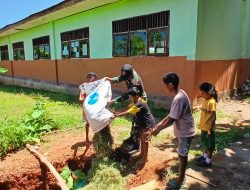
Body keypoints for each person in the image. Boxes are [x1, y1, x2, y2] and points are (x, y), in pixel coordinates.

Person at [152, 72, 195, 189]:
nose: (164, 87)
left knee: (182, 155)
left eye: (164, 85)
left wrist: (158, 130)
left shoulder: (178, 98)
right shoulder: (180, 93)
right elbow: (171, 114)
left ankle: (180, 182)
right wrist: (159, 124)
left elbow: (172, 119)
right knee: (181, 154)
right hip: (184, 130)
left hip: (186, 131)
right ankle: (182, 177)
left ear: (170, 85)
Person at [106, 64, 147, 153]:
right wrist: (112, 80)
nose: (123, 76)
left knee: (138, 123)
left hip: (139, 101)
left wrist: (112, 101)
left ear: (129, 74)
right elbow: (121, 78)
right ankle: (132, 137)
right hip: (134, 99)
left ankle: (136, 145)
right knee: (134, 120)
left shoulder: (134, 81)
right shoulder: (128, 73)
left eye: (125, 75)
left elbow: (127, 96)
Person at [111, 86, 155, 166]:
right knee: (142, 139)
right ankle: (141, 154)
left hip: (147, 124)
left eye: (131, 96)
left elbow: (128, 112)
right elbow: (127, 108)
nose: (130, 98)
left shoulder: (139, 103)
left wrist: (116, 116)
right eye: (130, 96)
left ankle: (145, 158)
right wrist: (117, 112)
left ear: (136, 96)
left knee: (145, 141)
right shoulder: (135, 101)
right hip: (142, 124)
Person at [195, 82, 218, 167]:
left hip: (208, 128)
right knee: (204, 142)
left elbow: (213, 116)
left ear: (208, 93)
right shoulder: (206, 100)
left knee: (209, 145)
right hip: (204, 127)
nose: (202, 95)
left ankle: (208, 161)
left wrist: (209, 130)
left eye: (203, 93)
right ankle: (204, 157)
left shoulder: (212, 102)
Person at [79, 72, 98, 147]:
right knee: (87, 123)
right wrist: (83, 98)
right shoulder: (84, 86)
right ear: (89, 78)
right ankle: (87, 139)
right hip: (87, 107)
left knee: (96, 122)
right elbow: (81, 97)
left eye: (95, 79)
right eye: (92, 79)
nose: (94, 81)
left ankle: (97, 138)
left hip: (95, 107)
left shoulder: (97, 86)